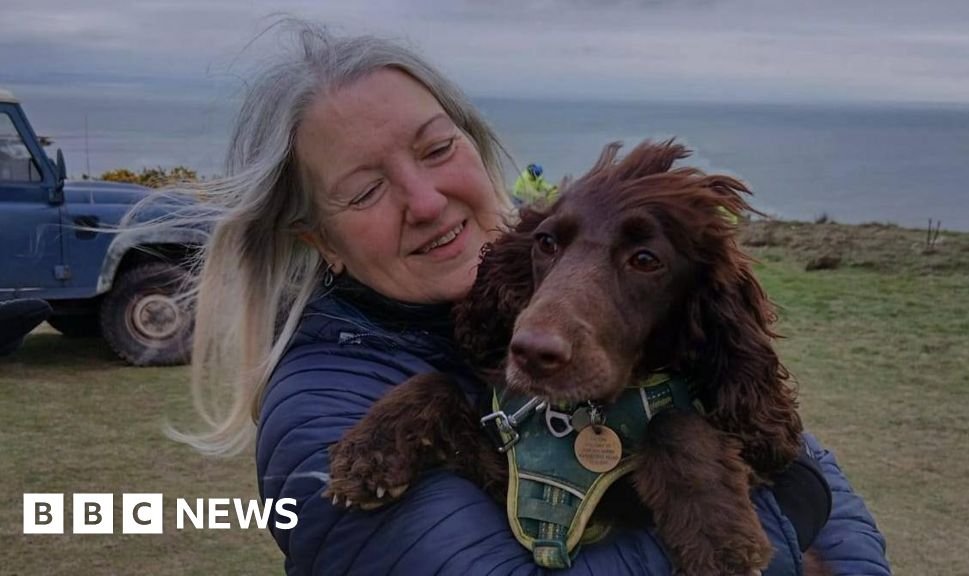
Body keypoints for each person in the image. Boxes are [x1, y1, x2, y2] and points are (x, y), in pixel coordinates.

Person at [169, 22, 890, 576]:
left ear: (475, 145)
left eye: (436, 149)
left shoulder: (567, 310)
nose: (427, 201)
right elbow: (804, 489)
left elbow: (808, 477)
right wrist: (791, 506)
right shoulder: (319, 410)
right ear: (318, 240)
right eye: (365, 191)